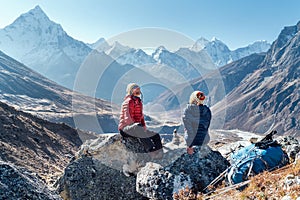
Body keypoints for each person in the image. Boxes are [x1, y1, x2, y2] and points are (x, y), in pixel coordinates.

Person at [118, 83, 163, 157]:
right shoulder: (128, 101)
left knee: (155, 135)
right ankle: (151, 150)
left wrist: (144, 128)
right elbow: (127, 117)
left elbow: (141, 117)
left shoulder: (139, 102)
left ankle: (159, 153)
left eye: (139, 90)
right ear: (131, 91)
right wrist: (137, 127)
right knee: (138, 126)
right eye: (136, 90)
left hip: (137, 128)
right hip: (125, 129)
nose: (138, 92)